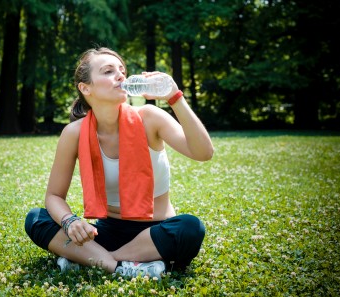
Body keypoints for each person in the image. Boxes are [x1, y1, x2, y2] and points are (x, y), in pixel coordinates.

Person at [25, 47, 213, 279]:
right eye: (108, 71)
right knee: (36, 218)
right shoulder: (74, 133)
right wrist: (70, 221)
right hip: (107, 229)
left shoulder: (149, 117)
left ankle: (93, 260)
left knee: (190, 228)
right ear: (86, 88)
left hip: (156, 231)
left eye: (122, 71)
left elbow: (203, 152)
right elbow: (53, 196)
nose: (120, 75)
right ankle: (123, 268)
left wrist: (175, 98)